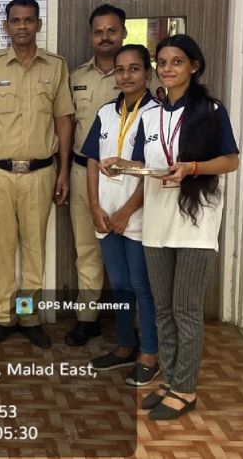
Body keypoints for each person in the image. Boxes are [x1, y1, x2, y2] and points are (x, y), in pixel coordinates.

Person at [101, 34, 239, 419]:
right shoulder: (150, 115)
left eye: (176, 62)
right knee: (162, 308)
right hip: (157, 222)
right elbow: (148, 166)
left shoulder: (210, 110)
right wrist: (122, 165)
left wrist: (193, 168)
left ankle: (186, 389)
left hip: (194, 223)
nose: (168, 69)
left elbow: (230, 161)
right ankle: (171, 380)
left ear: (194, 66)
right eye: (162, 62)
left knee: (186, 309)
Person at [0, 0, 74, 347]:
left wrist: (63, 171)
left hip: (41, 173)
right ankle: (2, 316)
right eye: (16, 20)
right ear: (6, 26)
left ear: (38, 24)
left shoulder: (55, 67)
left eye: (29, 20)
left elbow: (63, 120)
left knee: (33, 249)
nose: (23, 26)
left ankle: (27, 316)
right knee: (0, 248)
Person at [81, 44, 160, 386]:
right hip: (106, 215)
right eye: (120, 69)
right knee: (120, 285)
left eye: (134, 69)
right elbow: (92, 162)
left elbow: (155, 169)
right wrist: (95, 207)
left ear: (148, 73)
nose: (126, 75)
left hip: (137, 216)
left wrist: (126, 212)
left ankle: (149, 354)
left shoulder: (157, 115)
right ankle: (125, 346)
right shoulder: (105, 113)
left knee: (143, 287)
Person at [65, 4, 127, 347]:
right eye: (99, 31)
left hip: (125, 179)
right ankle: (87, 320)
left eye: (112, 30)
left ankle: (128, 324)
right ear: (91, 36)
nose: (105, 37)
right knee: (86, 249)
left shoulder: (136, 76)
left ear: (123, 33)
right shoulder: (76, 78)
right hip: (80, 171)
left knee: (128, 251)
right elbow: (67, 126)